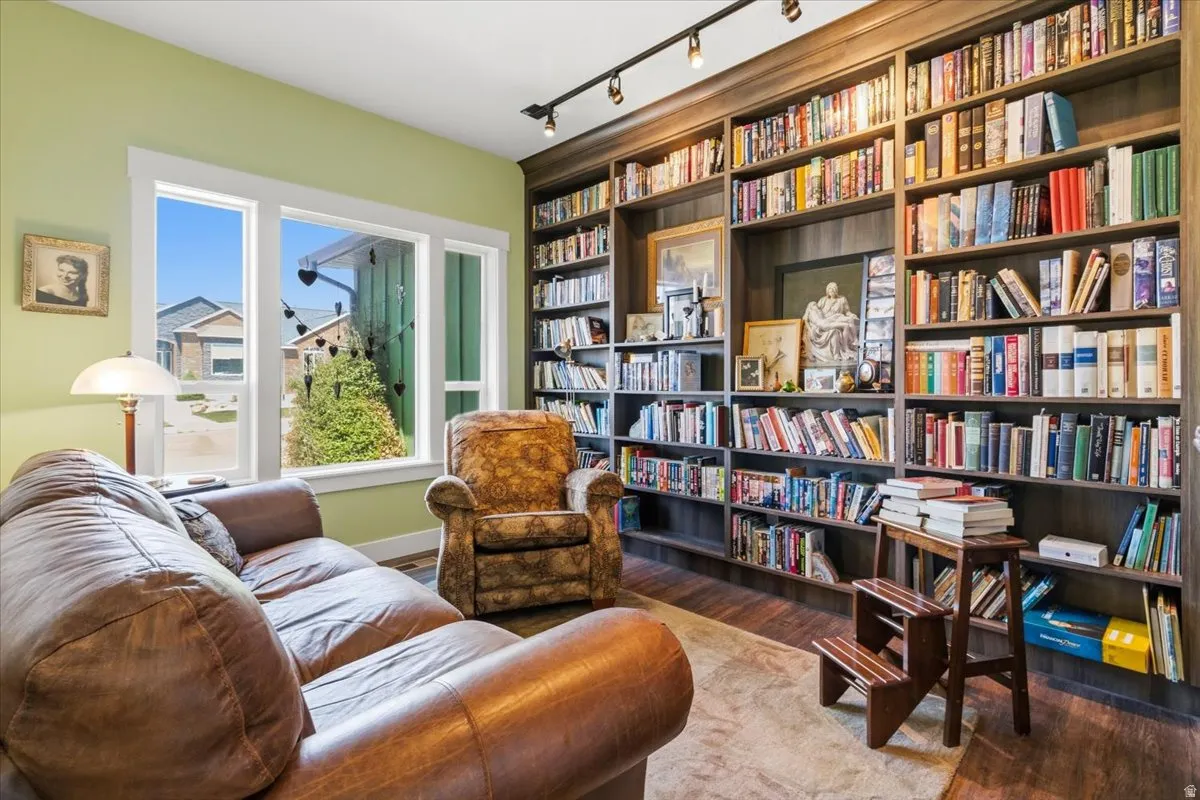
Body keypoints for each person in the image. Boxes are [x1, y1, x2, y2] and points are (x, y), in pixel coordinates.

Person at [802, 281, 859, 365]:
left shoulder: (842, 299)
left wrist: (852, 315)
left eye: (833, 290)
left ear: (836, 290)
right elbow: (814, 312)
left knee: (850, 320)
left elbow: (847, 312)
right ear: (827, 291)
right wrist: (810, 328)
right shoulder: (822, 300)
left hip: (835, 318)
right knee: (843, 326)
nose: (831, 292)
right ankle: (844, 348)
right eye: (829, 290)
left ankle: (854, 341)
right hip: (827, 321)